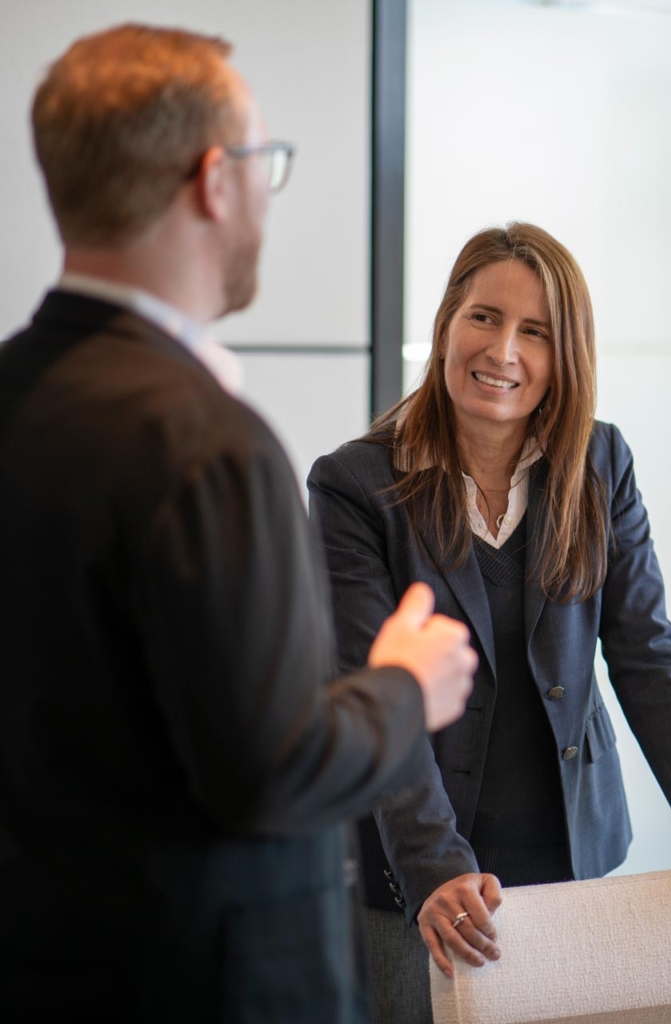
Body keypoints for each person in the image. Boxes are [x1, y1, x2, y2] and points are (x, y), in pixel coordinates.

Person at [0, 25, 478, 1022]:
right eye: (265, 162)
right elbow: (268, 771)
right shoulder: (205, 442)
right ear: (215, 180)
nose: (268, 190)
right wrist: (404, 686)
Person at [307, 221, 671, 1022]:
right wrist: (434, 864)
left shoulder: (600, 465)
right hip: (412, 858)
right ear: (448, 321)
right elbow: (371, 686)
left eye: (537, 332)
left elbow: (647, 654)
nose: (503, 352)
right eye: (484, 317)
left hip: (568, 844)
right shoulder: (356, 486)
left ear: (567, 355)